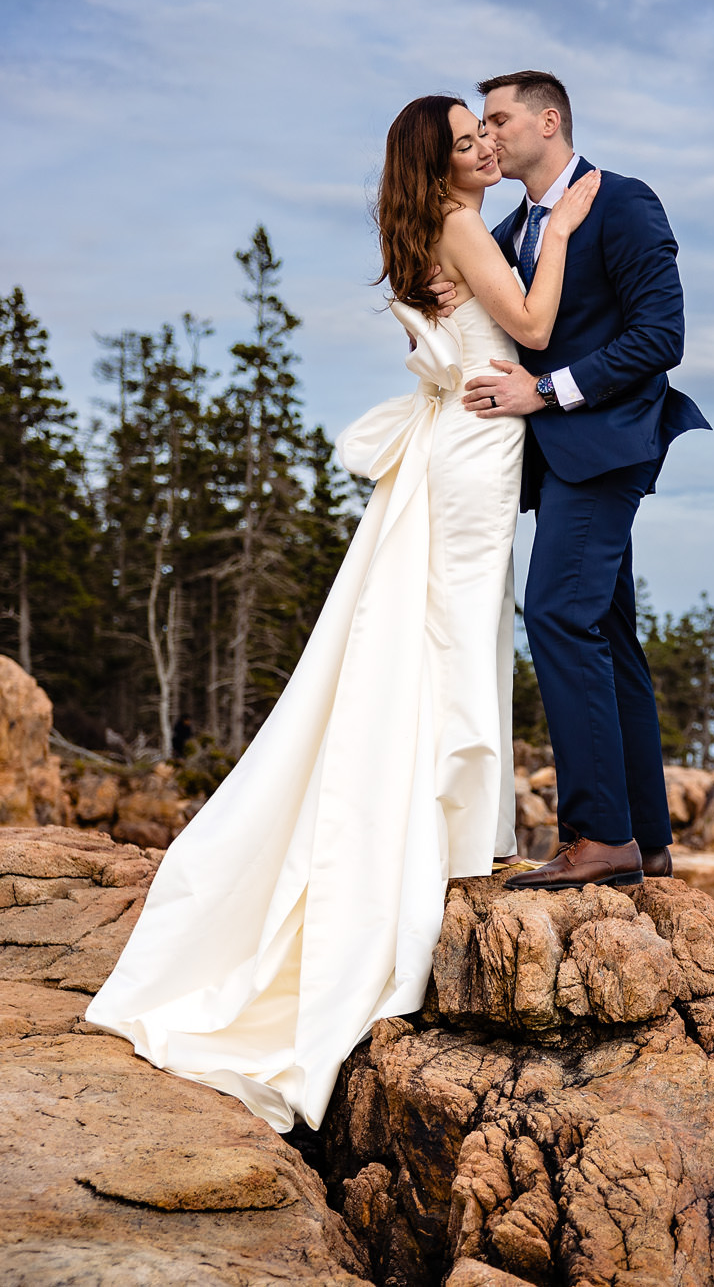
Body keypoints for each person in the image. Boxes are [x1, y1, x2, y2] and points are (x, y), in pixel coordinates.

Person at [85, 93, 605, 1132]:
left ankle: (458, 814)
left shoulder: (433, 224)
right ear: (440, 164)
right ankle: (454, 822)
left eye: (484, 133)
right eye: (465, 142)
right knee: (460, 623)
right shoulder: (466, 224)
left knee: (454, 622)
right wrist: (566, 233)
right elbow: (536, 326)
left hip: (465, 442)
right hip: (472, 448)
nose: (483, 148)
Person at [459, 70, 709, 891]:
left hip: (609, 442)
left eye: (498, 120)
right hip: (558, 456)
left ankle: (599, 836)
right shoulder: (506, 229)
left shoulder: (624, 202)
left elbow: (660, 335)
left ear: (549, 120)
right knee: (608, 635)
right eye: (481, 126)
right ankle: (647, 837)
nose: (488, 137)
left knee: (559, 615)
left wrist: (544, 390)